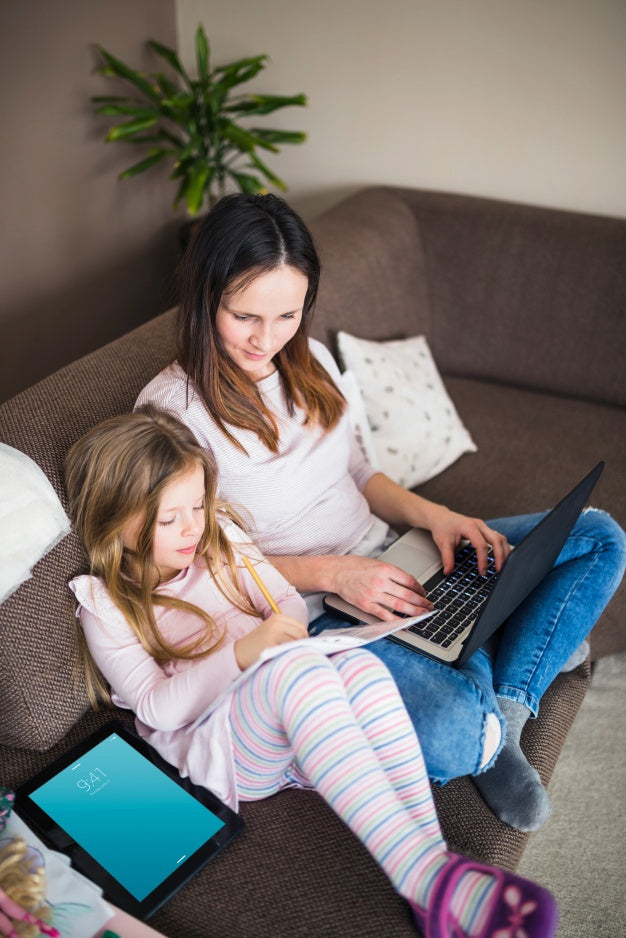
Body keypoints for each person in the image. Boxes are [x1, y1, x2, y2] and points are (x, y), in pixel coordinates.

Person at [136, 193, 626, 832]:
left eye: (287, 314)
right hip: (316, 613)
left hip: (398, 554)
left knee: (599, 537)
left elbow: (361, 473)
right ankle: (499, 655)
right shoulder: (172, 413)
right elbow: (202, 564)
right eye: (244, 315)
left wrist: (437, 516)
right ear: (205, 299)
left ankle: (504, 702)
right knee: (454, 734)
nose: (267, 338)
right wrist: (336, 576)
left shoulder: (301, 362)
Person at [65, 406, 557, 938]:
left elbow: (287, 603)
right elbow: (156, 707)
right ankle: (428, 876)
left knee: (360, 669)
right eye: (169, 519)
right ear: (119, 520)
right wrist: (247, 651)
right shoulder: (105, 604)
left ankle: (429, 878)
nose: (193, 528)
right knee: (297, 671)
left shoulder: (219, 538)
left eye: (197, 506)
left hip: (290, 715)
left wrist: (283, 632)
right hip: (224, 748)